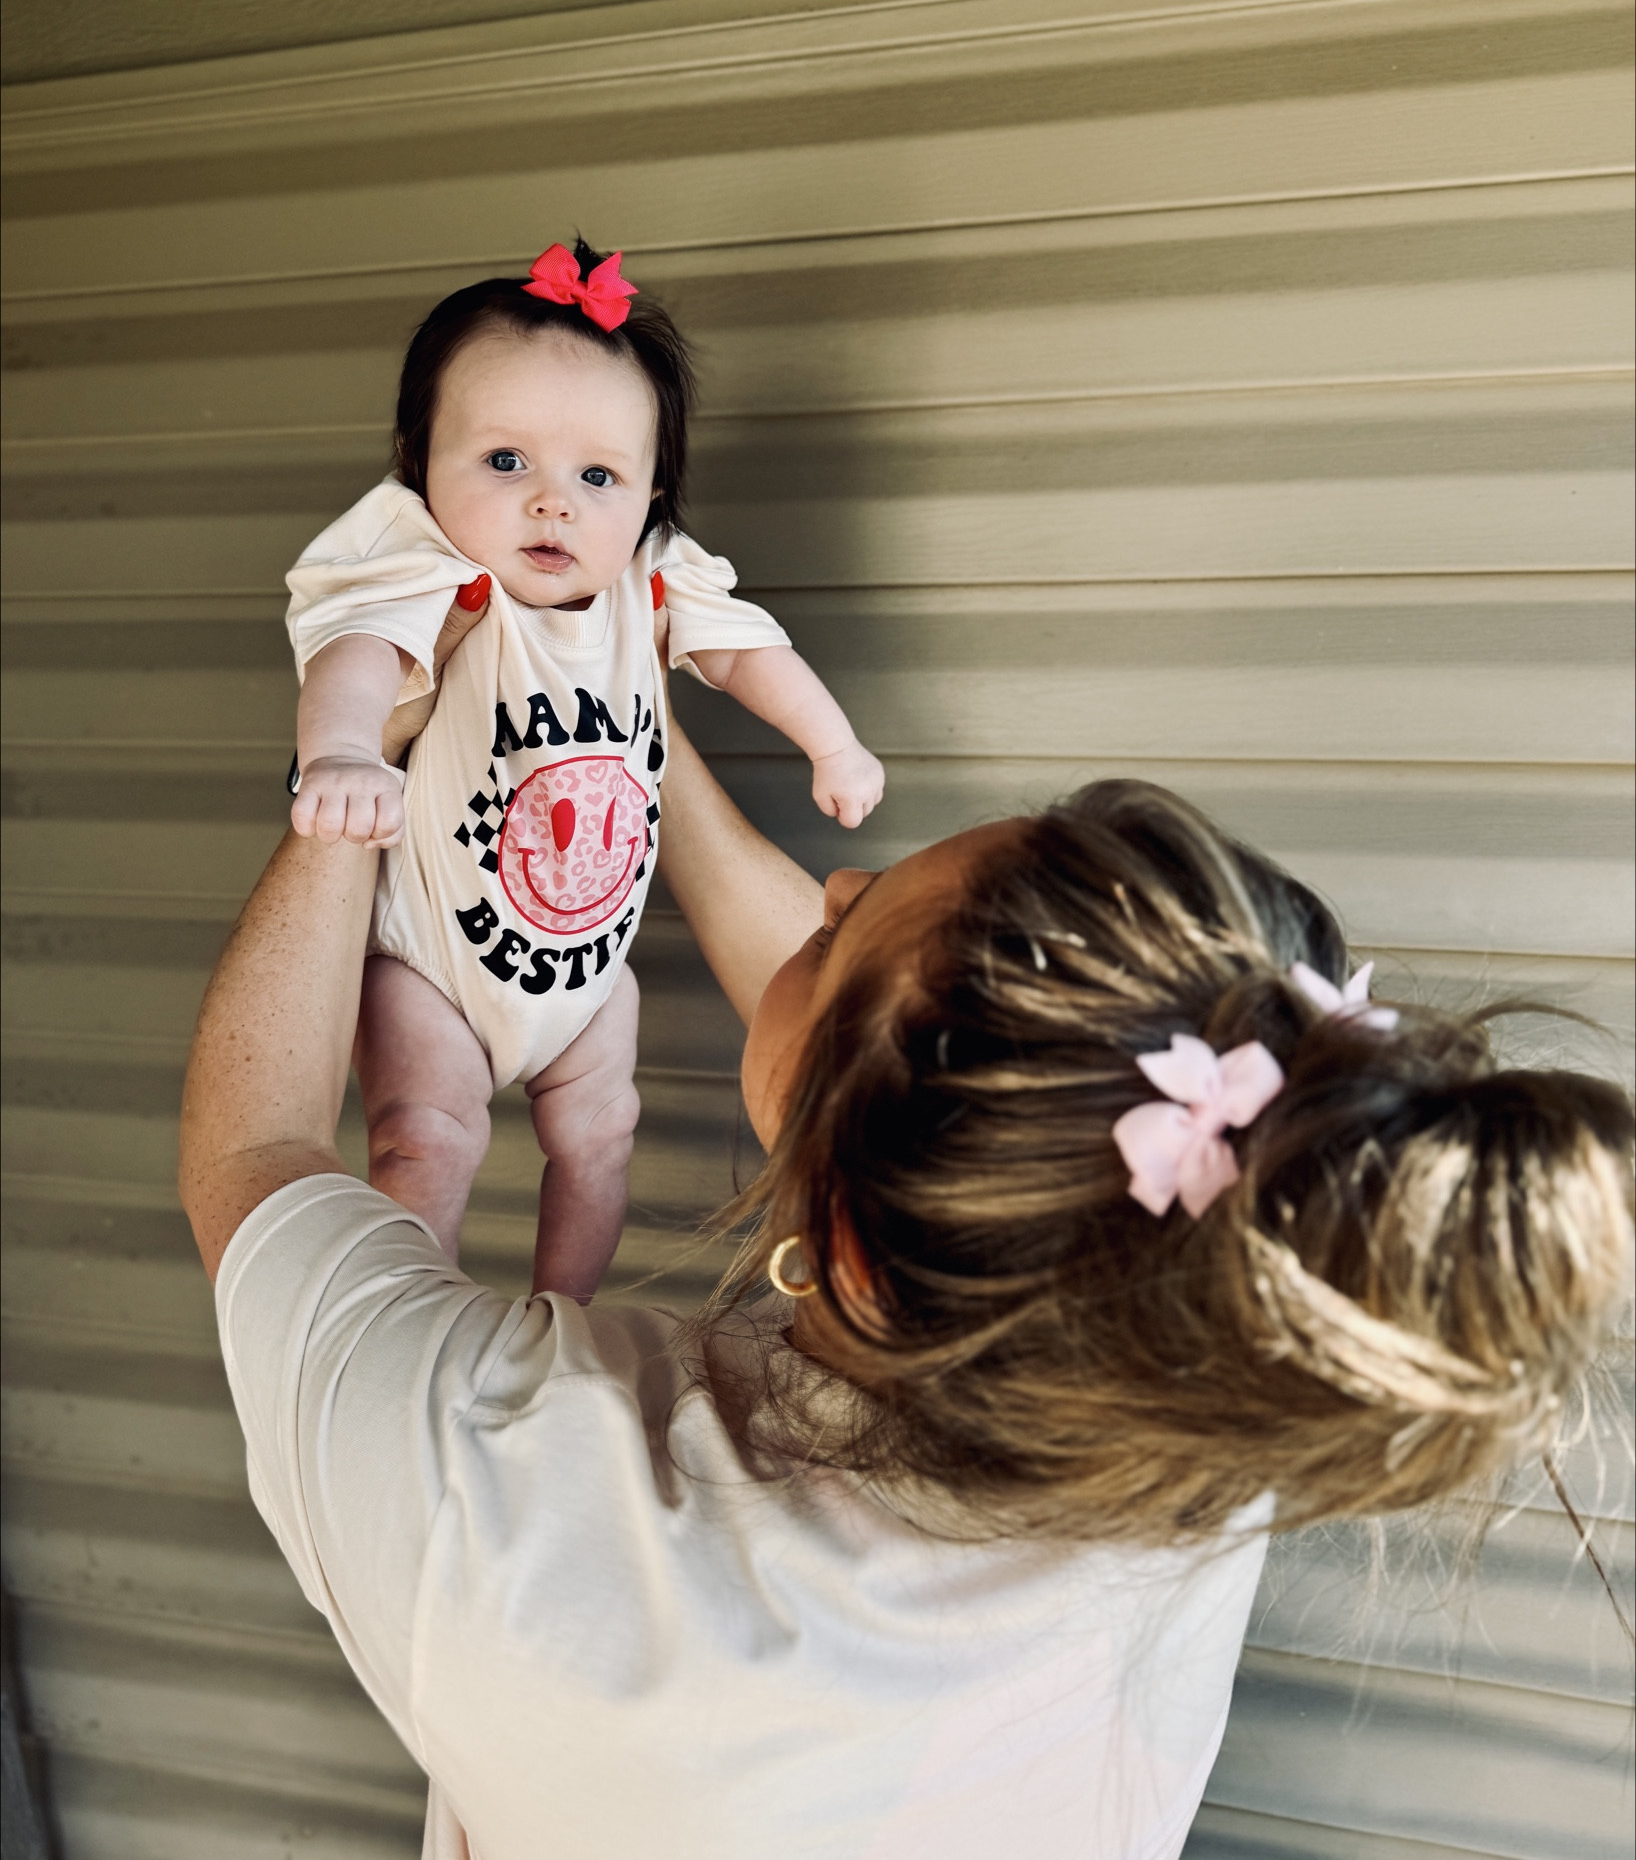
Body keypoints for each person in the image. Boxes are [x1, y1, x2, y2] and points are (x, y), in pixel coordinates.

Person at [179, 673, 1633, 1860]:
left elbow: (252, 1155)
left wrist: (359, 760)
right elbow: (862, 1073)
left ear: (860, 1247)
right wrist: (602, 690)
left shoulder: (533, 1531)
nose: (846, 872)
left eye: (839, 926)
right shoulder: (1210, 1338)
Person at [283, 239, 884, 1299]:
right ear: (419, 459)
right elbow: (355, 656)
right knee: (425, 1140)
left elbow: (749, 653)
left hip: (585, 974)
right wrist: (338, 749)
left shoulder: (651, 578)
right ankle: (413, 1324)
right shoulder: (423, 566)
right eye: (505, 461)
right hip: (433, 960)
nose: (552, 502)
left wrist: (829, 742)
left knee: (603, 1136)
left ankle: (558, 1311)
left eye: (597, 474)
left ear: (652, 495)